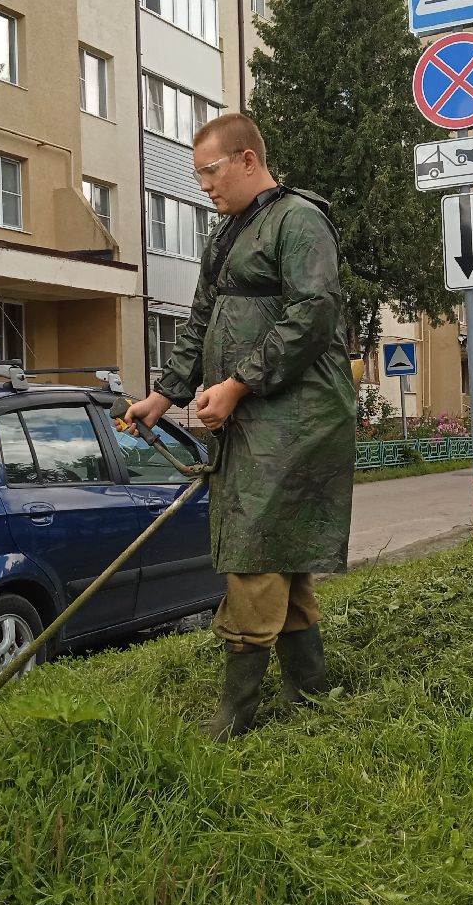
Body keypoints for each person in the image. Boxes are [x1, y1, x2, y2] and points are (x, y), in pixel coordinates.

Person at [124, 112, 355, 741]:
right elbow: (199, 320)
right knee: (281, 553)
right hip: (254, 415)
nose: (203, 184)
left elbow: (313, 314)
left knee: (254, 548)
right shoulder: (228, 233)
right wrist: (164, 394)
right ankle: (313, 694)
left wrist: (235, 384)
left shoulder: (300, 221)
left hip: (299, 417)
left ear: (248, 159)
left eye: (209, 170)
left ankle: (236, 717)